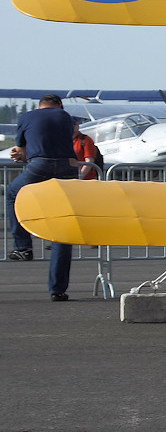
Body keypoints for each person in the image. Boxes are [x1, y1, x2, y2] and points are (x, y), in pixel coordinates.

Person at [6, 94, 79, 300]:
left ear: (40, 106)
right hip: (67, 167)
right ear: (59, 105)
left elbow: (22, 151)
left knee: (12, 193)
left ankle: (22, 247)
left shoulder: (27, 117)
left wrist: (20, 155)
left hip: (39, 166)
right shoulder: (65, 117)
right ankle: (58, 289)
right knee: (62, 227)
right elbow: (67, 138)